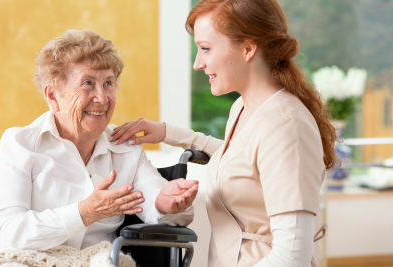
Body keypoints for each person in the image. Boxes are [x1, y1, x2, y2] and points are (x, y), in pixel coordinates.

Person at [111, 0, 338, 266]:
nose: (197, 63)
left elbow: (291, 257)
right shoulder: (244, 107)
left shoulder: (286, 126)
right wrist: (166, 132)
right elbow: (241, 159)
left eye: (205, 48)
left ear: (248, 49)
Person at [0, 30, 198, 251]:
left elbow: (157, 204)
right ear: (53, 96)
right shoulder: (20, 145)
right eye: (88, 83)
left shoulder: (126, 148)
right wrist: (84, 212)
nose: (101, 98)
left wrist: (166, 204)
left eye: (108, 83)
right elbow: (7, 234)